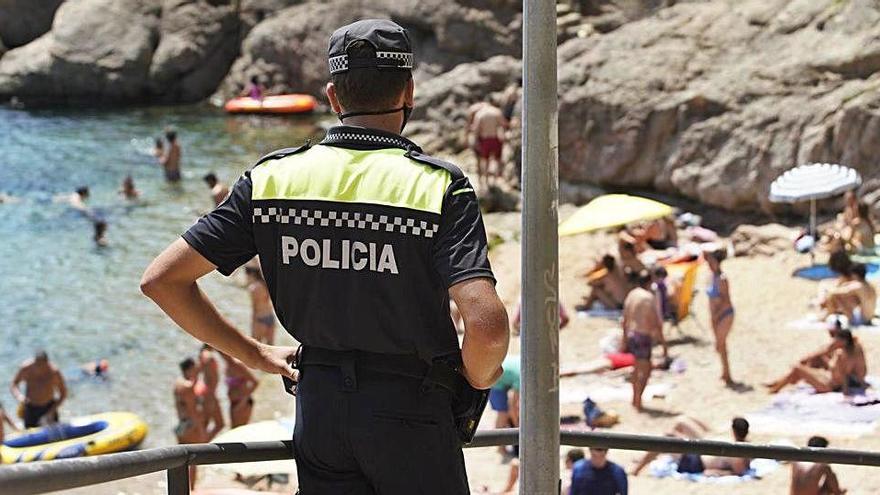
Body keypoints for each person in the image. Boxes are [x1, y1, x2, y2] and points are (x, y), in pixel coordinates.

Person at [140, 19, 509, 495]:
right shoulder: (438, 186)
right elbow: (488, 325)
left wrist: (253, 354)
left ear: (333, 97)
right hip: (412, 408)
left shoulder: (272, 179)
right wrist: (473, 383)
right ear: (409, 91)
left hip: (319, 411)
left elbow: (162, 281)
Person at [632, 416, 751, 476]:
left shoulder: (738, 454)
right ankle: (650, 456)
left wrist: (714, 472)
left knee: (667, 438)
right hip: (704, 446)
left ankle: (637, 469)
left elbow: (738, 472)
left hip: (695, 462)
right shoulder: (745, 443)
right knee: (682, 421)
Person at [766, 328, 863, 394]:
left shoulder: (841, 354)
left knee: (797, 368)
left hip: (829, 386)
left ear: (842, 341)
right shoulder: (853, 348)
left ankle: (776, 389)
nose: (833, 341)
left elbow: (843, 374)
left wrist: (845, 392)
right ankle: (778, 383)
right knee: (806, 366)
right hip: (831, 380)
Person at [621, 270, 666, 411]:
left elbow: (625, 319)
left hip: (632, 334)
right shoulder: (648, 298)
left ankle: (635, 398)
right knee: (645, 370)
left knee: (636, 368)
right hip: (643, 335)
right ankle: (638, 400)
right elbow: (655, 322)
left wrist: (624, 339)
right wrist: (664, 343)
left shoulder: (632, 295)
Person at [10, 351, 68, 428]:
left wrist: (51, 411)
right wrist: (19, 396)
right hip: (30, 407)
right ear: (34, 361)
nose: (39, 367)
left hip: (48, 407)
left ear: (47, 362)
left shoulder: (54, 372)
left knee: (54, 437)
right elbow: (14, 384)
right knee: (30, 434)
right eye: (37, 364)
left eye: (42, 365)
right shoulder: (26, 369)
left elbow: (63, 394)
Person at [174, 357, 207, 489]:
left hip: (182, 425)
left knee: (182, 460)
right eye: (195, 368)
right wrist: (200, 428)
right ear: (189, 369)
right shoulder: (187, 386)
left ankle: (182, 488)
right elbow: (192, 410)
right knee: (193, 460)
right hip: (190, 426)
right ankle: (191, 489)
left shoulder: (178, 382)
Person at [706, 248, 735, 384]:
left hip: (724, 314)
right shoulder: (712, 277)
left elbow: (725, 299)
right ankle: (725, 372)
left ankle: (727, 373)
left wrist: (717, 315)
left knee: (720, 343)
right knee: (720, 346)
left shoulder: (722, 279)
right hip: (715, 315)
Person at [469, 99, 507, 189]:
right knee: (497, 160)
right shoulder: (496, 111)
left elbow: (476, 130)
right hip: (495, 138)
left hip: (485, 139)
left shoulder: (480, 114)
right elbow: (504, 124)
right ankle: (494, 181)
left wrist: (475, 142)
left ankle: (485, 181)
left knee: (484, 161)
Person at [489, 355, 520, 456]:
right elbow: (513, 406)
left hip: (499, 370)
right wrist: (517, 426)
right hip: (494, 381)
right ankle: (500, 448)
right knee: (503, 414)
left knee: (508, 414)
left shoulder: (524, 369)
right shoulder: (522, 377)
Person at [219, 351, 259, 428]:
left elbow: (255, 382)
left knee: (241, 429)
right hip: (233, 403)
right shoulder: (227, 366)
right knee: (233, 430)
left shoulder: (238, 365)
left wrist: (243, 401)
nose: (221, 355)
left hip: (243, 403)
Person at [197, 345, 225, 440]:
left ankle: (203, 444)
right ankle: (202, 446)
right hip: (209, 393)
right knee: (209, 423)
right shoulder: (207, 355)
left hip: (209, 391)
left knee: (219, 424)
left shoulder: (204, 354)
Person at [245, 263, 276, 345]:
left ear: (250, 274)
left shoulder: (253, 288)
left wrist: (253, 324)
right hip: (270, 316)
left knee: (258, 346)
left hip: (260, 318)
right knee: (271, 346)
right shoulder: (265, 284)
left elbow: (255, 308)